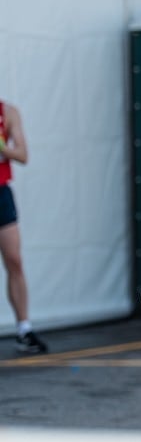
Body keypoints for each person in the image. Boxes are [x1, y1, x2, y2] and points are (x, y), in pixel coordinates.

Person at [0, 100, 48, 354]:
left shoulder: (8, 112)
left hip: (1, 194)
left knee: (14, 260)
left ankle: (24, 328)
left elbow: (22, 155)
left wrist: (3, 148)